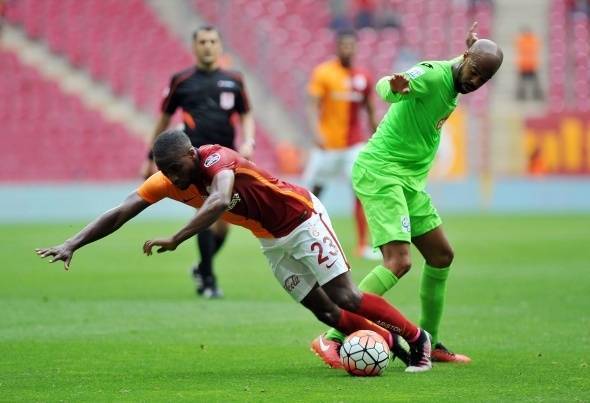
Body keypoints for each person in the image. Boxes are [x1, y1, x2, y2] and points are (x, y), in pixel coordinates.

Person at [36, 129, 432, 373]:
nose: (172, 178)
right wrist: (73, 243)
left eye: (176, 169)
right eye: (166, 172)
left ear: (191, 154)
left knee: (345, 296)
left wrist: (177, 238)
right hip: (271, 240)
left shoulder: (216, 159)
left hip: (301, 218)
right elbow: (122, 210)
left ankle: (418, 340)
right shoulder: (168, 180)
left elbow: (220, 200)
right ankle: (387, 344)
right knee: (324, 311)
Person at [311, 22, 503, 367]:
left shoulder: (457, 73)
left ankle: (430, 342)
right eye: (475, 71)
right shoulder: (431, 75)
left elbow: (462, 66)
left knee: (441, 255)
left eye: (483, 79)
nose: (475, 81)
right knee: (398, 262)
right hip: (381, 171)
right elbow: (387, 86)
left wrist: (471, 49)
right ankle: (332, 335)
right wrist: (394, 86)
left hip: (409, 181)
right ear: (465, 59)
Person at [142, 25, 255, 298]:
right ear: (194, 46)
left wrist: (249, 141)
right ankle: (208, 281)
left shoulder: (234, 79)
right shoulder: (181, 81)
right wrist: (149, 157)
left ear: (220, 46)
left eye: (212, 41)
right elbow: (163, 120)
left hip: (226, 160)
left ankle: (202, 268)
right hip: (194, 162)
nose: (208, 46)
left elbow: (246, 113)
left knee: (223, 225)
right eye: (203, 41)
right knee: (205, 214)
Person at [303, 29, 379, 260]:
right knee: (312, 194)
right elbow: (312, 106)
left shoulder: (363, 77)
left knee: (360, 191)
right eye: (343, 45)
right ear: (337, 48)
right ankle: (301, 235)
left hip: (353, 146)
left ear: (356, 48)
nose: (347, 49)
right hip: (327, 146)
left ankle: (362, 245)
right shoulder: (323, 73)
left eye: (351, 45)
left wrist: (377, 136)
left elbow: (370, 111)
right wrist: (316, 132)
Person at [515, 26, 543, 101]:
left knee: (535, 83)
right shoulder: (522, 40)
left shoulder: (532, 40)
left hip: (531, 64)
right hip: (523, 65)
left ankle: (536, 95)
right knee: (521, 83)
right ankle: (521, 95)